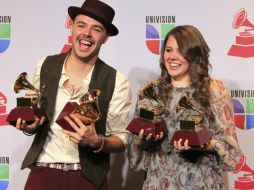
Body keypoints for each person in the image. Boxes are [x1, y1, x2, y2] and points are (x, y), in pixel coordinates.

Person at [15, 0, 131, 190]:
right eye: (81, 25)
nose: (87, 33)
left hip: (88, 178)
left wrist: (96, 141)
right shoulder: (45, 66)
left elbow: (122, 138)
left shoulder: (117, 80)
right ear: (71, 27)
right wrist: (30, 125)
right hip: (43, 174)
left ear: (105, 37)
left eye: (96, 29)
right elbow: (35, 115)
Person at [127, 25, 242, 190]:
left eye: (181, 51)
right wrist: (142, 141)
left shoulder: (215, 91)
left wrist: (207, 145)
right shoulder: (151, 90)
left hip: (201, 183)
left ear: (194, 54)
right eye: (168, 50)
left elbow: (232, 153)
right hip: (158, 183)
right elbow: (134, 158)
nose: (173, 57)